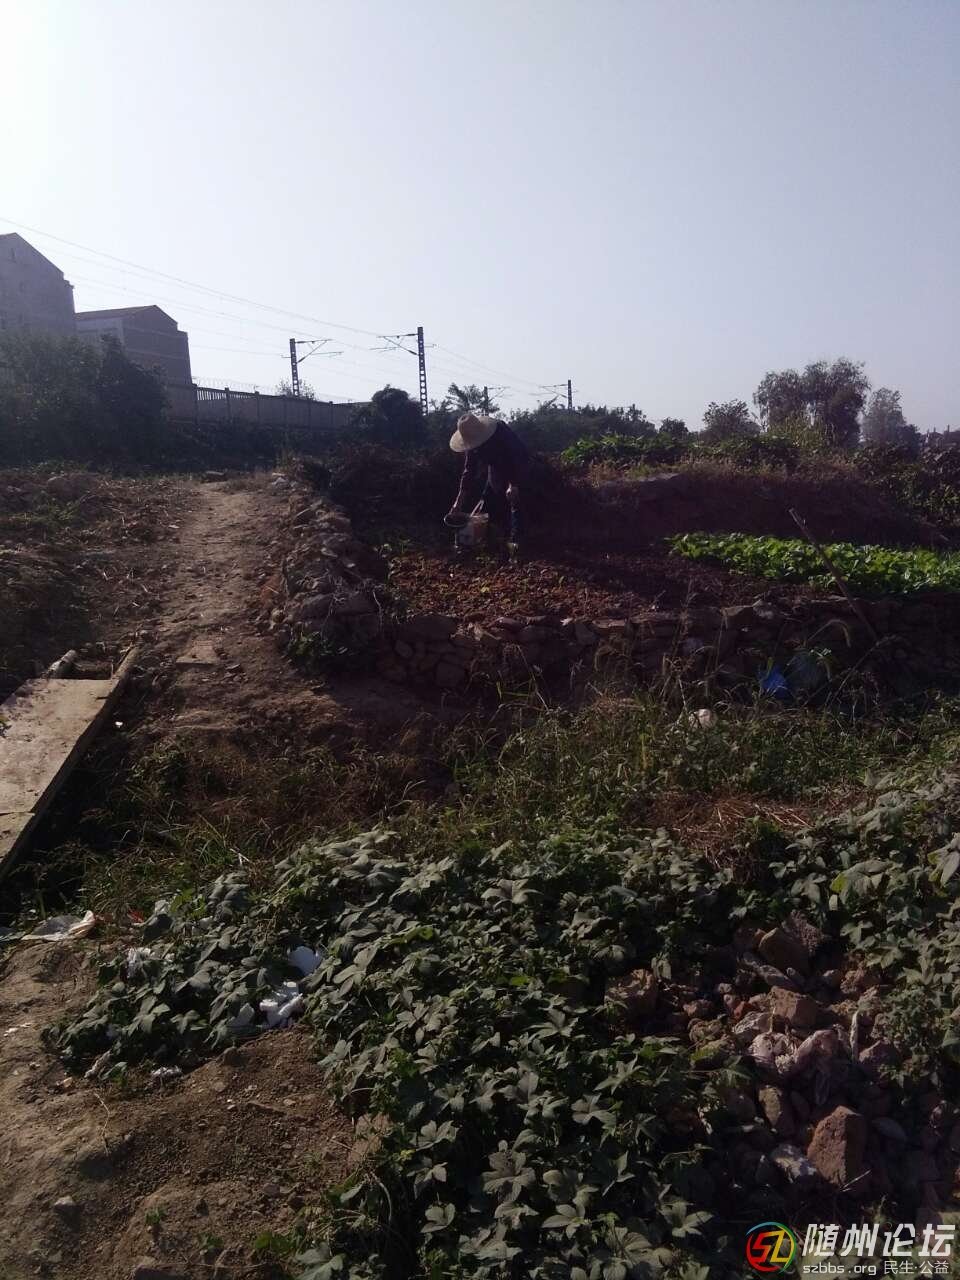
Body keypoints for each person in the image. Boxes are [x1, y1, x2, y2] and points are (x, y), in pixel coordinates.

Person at [447, 411, 529, 551]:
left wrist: (513, 484)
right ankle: (482, 540)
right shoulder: (472, 443)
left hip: (518, 467)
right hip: (495, 470)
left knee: (515, 501)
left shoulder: (501, 432)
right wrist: (458, 502)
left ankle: (517, 543)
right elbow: (469, 471)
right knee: (485, 506)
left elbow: (517, 457)